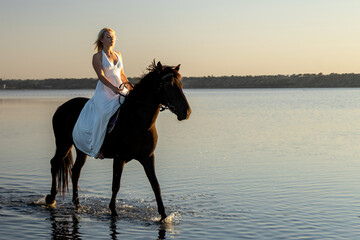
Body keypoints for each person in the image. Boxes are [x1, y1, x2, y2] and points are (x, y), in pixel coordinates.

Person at [72, 27, 132, 159]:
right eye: (108, 37)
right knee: (104, 113)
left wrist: (130, 87)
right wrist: (113, 88)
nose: (111, 39)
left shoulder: (119, 54)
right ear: (101, 40)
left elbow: (122, 74)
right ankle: (97, 147)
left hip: (121, 88)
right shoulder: (97, 56)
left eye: (113, 37)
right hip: (105, 91)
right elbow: (101, 76)